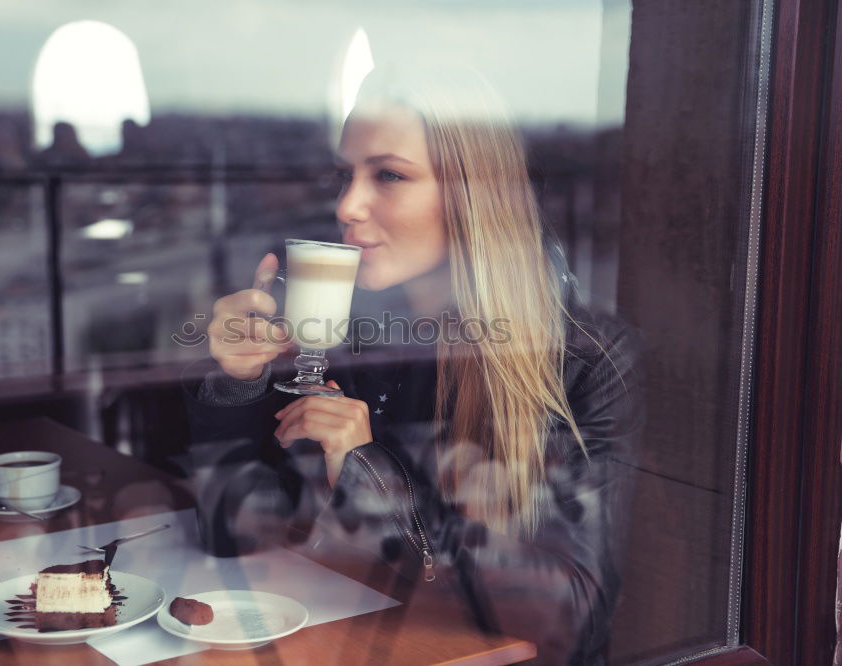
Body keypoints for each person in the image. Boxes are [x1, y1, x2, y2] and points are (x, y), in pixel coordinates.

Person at [183, 66, 641, 665]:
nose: (347, 204)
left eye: (389, 175)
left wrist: (371, 474)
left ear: (471, 194)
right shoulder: (337, 332)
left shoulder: (585, 356)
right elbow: (232, 539)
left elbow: (569, 618)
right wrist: (236, 387)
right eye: (343, 175)